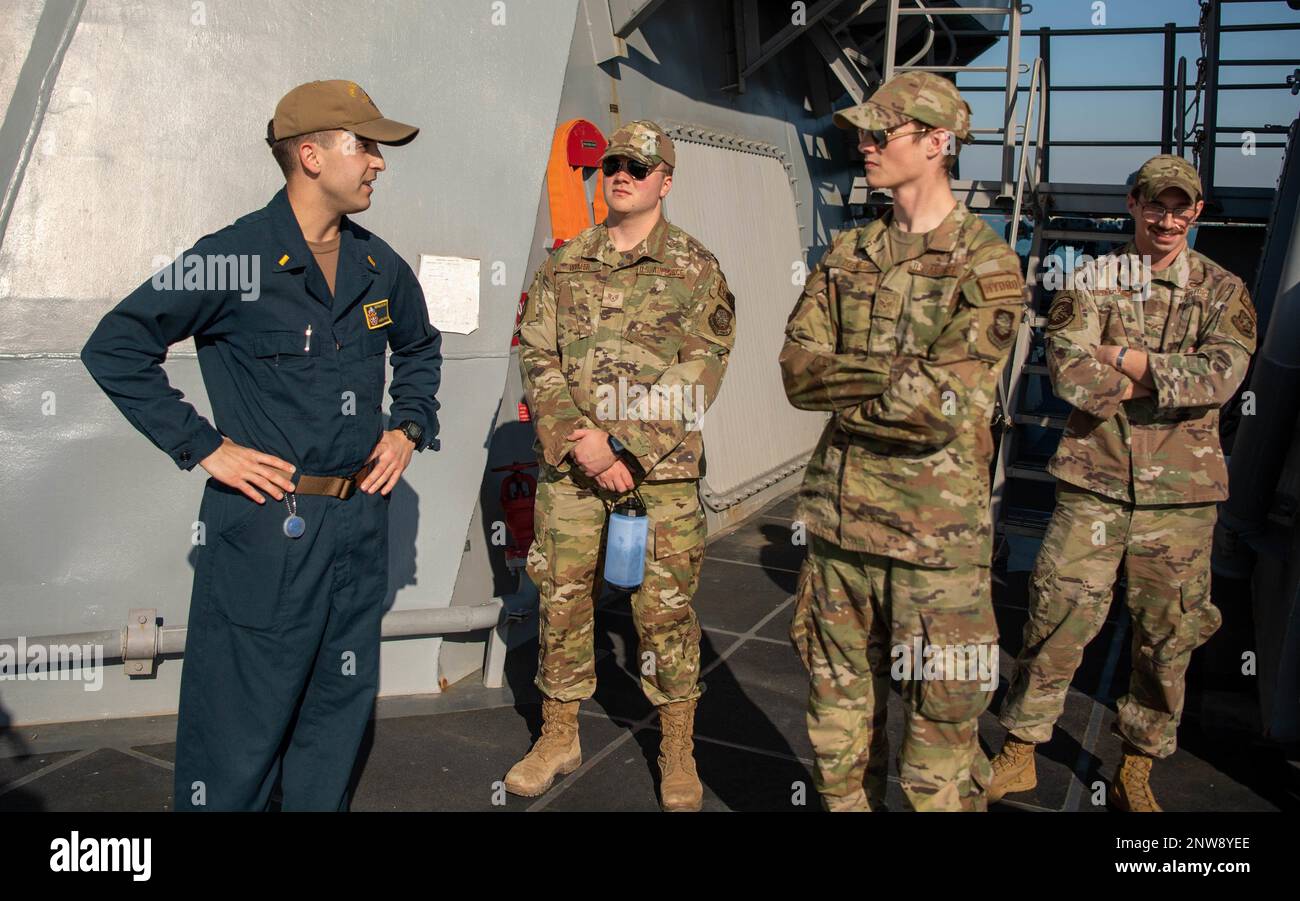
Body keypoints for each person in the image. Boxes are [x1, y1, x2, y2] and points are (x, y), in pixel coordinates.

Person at [80, 80, 443, 811]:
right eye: (364, 146)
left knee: (334, 720)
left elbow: (420, 348)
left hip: (355, 531)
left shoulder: (379, 267)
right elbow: (116, 345)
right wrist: (205, 447)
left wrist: (407, 427)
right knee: (237, 732)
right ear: (311, 155)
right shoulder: (234, 258)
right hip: (268, 533)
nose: (378, 163)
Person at [781, 72, 1025, 811]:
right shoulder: (848, 254)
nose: (866, 144)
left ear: (938, 143)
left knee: (938, 752)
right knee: (836, 733)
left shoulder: (990, 266)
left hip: (935, 546)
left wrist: (849, 387)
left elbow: (940, 407)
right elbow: (796, 371)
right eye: (864, 132)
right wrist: (893, 377)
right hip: (840, 535)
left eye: (881, 133)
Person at [986, 154, 1256, 812]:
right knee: (1057, 614)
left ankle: (1138, 761)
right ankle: (1021, 748)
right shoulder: (1092, 282)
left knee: (1169, 635)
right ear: (1133, 204)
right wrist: (1170, 378)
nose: (1167, 218)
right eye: (1155, 204)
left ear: (1195, 212)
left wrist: (1130, 360)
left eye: (1180, 206)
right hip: (1095, 484)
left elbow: (1222, 377)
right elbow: (1071, 375)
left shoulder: (1224, 291)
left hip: (1181, 499)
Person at [507, 120, 735, 811]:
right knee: (563, 598)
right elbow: (536, 352)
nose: (622, 173)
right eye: (613, 163)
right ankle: (558, 734)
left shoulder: (697, 269)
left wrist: (624, 447)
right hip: (574, 471)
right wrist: (582, 441)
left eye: (639, 165)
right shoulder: (565, 261)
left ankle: (676, 745)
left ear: (666, 180)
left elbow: (701, 367)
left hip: (656, 476)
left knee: (663, 613)